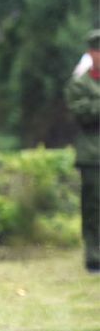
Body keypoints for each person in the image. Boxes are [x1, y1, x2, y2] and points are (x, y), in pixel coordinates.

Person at [64, 29, 100, 274]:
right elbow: (83, 114)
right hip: (93, 155)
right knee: (94, 208)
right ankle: (95, 257)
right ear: (91, 53)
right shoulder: (79, 83)